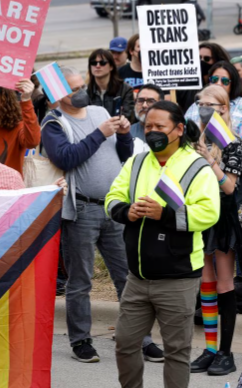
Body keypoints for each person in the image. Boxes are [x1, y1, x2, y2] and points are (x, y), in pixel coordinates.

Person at [41, 67, 152, 364]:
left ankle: (141, 337)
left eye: (82, 85)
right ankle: (81, 341)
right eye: (74, 88)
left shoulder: (99, 110)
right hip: (82, 209)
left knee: (127, 276)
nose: (82, 92)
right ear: (60, 94)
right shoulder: (54, 123)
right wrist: (99, 133)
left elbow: (123, 154)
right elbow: (65, 157)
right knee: (80, 281)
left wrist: (125, 135)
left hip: (114, 207)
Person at [106, 101, 220, 388]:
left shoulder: (197, 167)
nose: (153, 132)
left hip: (178, 277)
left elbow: (208, 213)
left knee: (177, 352)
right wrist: (126, 211)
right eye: (148, 127)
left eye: (160, 127)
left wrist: (164, 214)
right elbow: (113, 197)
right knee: (125, 344)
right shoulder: (137, 162)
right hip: (137, 276)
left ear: (179, 129)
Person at [189, 85, 241, 376]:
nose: (203, 108)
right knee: (205, 285)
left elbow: (230, 187)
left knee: (223, 285)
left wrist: (210, 160)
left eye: (210, 104)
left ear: (223, 108)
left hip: (223, 221)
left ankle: (225, 352)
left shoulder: (233, 143)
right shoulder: (196, 139)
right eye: (200, 103)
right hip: (200, 217)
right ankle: (209, 349)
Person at [185, 61, 242, 136]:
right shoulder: (195, 106)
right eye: (214, 79)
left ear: (233, 84)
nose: (218, 83)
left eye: (225, 81)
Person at [86, 49, 134, 120]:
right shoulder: (86, 92)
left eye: (102, 63)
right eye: (93, 63)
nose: (98, 66)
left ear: (111, 67)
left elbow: (128, 117)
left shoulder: (125, 89)